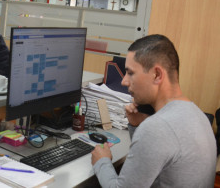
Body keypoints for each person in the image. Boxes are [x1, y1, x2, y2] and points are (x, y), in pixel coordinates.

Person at [91, 34, 216, 187]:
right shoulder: (197, 114)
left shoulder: (158, 128)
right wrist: (136, 125)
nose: (124, 81)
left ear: (157, 75)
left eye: (130, 73)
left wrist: (101, 161)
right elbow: (154, 157)